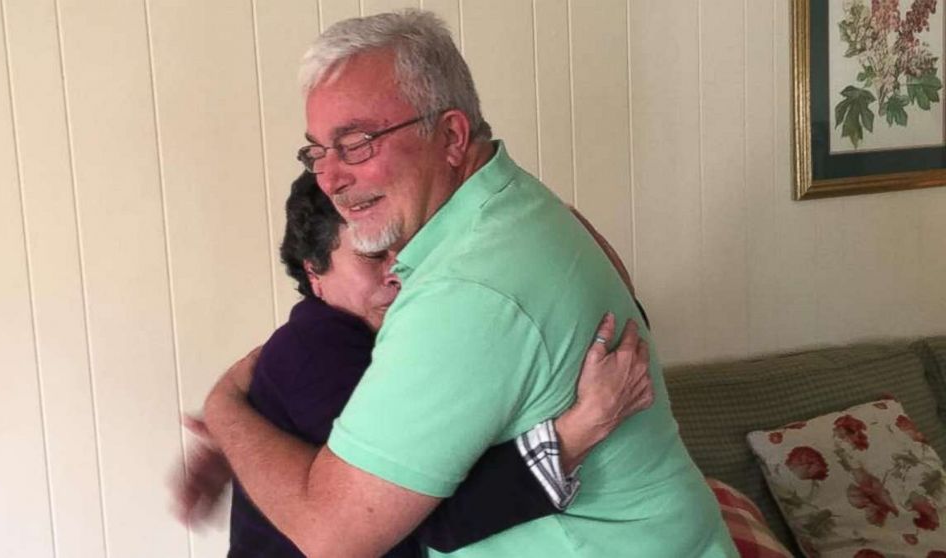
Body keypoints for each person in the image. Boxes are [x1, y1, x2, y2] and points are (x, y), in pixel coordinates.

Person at [203, 10, 737, 557]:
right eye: (318, 151)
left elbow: (335, 535)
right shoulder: (525, 210)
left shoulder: (464, 290)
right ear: (313, 275)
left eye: (357, 143)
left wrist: (224, 411)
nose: (331, 178)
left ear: (452, 136)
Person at [173, 173, 654, 557]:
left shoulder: (393, 335)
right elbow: (429, 520)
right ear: (314, 274)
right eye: (372, 256)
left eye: (406, 248)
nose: (399, 271)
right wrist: (577, 433)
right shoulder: (314, 351)